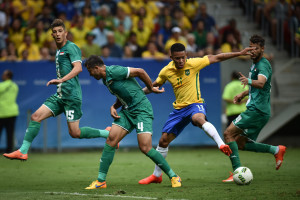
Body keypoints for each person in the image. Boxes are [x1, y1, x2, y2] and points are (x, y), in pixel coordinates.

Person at [138, 43, 254, 185]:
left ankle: (220, 144)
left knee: (198, 118)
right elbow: (154, 85)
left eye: (183, 57)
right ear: (171, 57)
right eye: (177, 58)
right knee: (163, 141)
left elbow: (217, 57)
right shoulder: (166, 71)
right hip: (179, 110)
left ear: (186, 55)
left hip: (195, 104)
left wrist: (239, 52)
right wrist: (138, 94)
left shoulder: (194, 63)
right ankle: (157, 175)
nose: (181, 61)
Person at [3, 19, 110, 161]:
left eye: (60, 31)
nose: (58, 34)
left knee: (75, 133)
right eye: (55, 32)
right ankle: (23, 151)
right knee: (35, 117)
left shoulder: (71, 47)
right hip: (60, 95)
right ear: (52, 35)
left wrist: (61, 79)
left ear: (66, 33)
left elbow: (78, 68)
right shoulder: (59, 50)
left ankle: (107, 134)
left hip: (72, 97)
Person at [84, 55, 182, 189]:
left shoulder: (114, 71)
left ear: (96, 68)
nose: (90, 75)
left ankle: (174, 176)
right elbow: (125, 93)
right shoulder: (106, 79)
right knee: (111, 139)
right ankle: (101, 181)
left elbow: (140, 71)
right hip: (127, 111)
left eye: (90, 71)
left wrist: (151, 88)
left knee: (145, 147)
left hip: (141, 110)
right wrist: (114, 106)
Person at [222, 35, 286, 182]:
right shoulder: (255, 63)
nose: (252, 51)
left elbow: (262, 83)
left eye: (256, 48)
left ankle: (236, 172)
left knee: (228, 134)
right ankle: (276, 150)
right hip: (259, 110)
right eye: (250, 48)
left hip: (256, 110)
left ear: (262, 49)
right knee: (241, 143)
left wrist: (248, 81)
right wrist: (243, 93)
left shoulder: (263, 65)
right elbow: (259, 87)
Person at [0, 70, 19, 153]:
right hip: (13, 112)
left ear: (7, 76)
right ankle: (9, 151)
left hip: (2, 112)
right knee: (10, 133)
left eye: (3, 74)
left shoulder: (2, 85)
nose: (2, 75)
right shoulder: (15, 86)